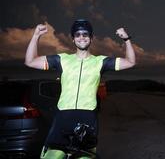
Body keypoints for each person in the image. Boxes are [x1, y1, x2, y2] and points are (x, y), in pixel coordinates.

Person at [24, 19, 136, 158]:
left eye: (85, 34)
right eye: (77, 34)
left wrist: (126, 39)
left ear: (91, 38)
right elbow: (30, 61)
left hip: (87, 118)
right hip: (63, 117)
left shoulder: (100, 62)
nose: (81, 37)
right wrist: (36, 36)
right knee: (53, 156)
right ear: (73, 39)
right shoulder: (62, 59)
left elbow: (130, 62)